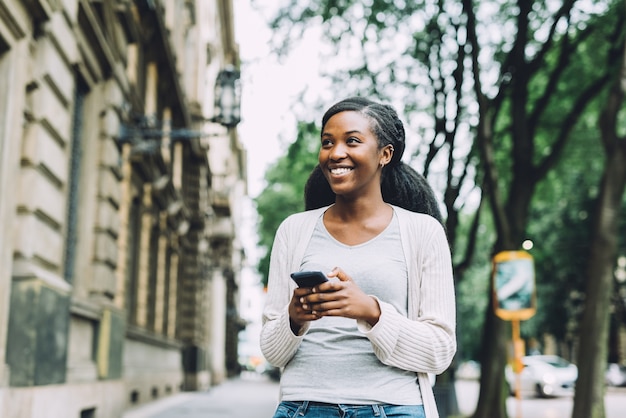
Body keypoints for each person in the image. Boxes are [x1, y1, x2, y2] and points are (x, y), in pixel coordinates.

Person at [260, 97, 456, 418]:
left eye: (352, 141)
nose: (335, 153)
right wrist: (294, 317)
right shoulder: (294, 230)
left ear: (385, 154)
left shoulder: (423, 232)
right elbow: (271, 351)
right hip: (304, 407)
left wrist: (370, 311)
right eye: (327, 142)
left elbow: (439, 351)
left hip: (394, 407)